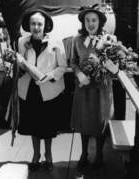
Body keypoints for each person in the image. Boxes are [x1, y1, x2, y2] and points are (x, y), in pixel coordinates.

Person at [16, 9, 67, 171]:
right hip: (29, 90)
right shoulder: (21, 42)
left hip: (48, 90)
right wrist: (18, 65)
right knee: (33, 124)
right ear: (28, 25)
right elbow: (19, 64)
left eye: (39, 24)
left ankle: (49, 155)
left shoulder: (56, 42)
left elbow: (63, 66)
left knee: (47, 125)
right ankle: (36, 155)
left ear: (46, 26)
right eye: (33, 24)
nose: (36, 27)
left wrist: (50, 75)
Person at [70, 5, 114, 170]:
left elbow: (115, 66)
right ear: (83, 22)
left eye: (93, 20)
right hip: (84, 88)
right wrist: (79, 74)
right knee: (84, 122)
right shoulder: (77, 40)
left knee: (100, 122)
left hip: (102, 89)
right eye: (87, 20)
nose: (90, 23)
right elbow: (73, 62)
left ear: (100, 22)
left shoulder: (109, 40)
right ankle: (84, 154)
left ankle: (100, 155)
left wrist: (105, 66)